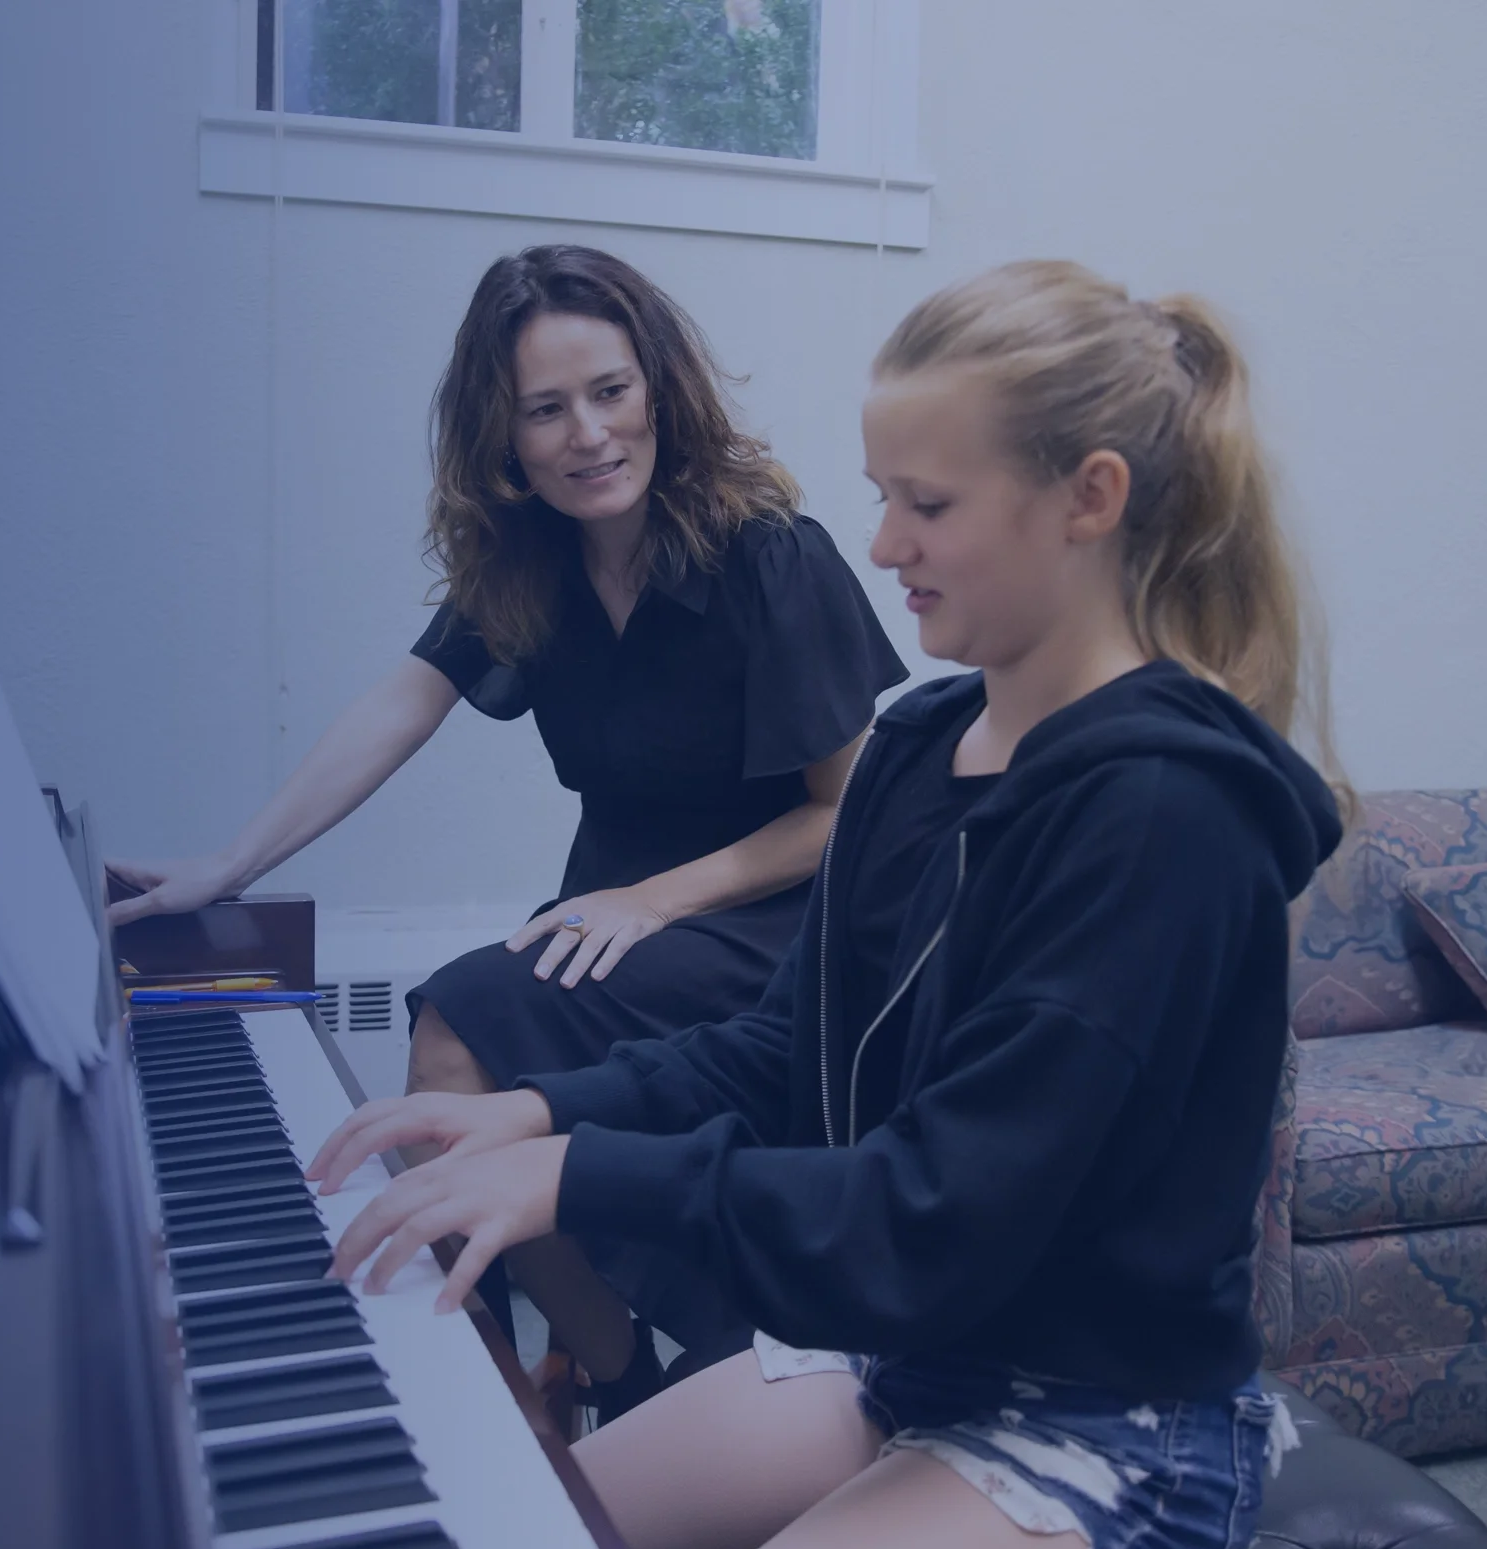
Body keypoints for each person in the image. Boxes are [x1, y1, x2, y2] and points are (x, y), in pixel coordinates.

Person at [303, 259, 1347, 1549]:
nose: (884, 546)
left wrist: (580, 1177)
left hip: (1102, 1425)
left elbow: (933, 1210)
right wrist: (537, 1110)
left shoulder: (1163, 818)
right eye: (881, 497)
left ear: (1090, 499)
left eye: (929, 505)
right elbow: (777, 1047)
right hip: (908, 1357)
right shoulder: (919, 746)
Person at [109, 244, 905, 1407]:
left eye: (610, 391)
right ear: (506, 437)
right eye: (546, 409)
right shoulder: (531, 562)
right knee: (469, 1057)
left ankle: (610, 1390)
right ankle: (618, 1372)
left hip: (776, 926)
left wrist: (653, 901)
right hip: (615, 914)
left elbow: (850, 815)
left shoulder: (770, 554)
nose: (588, 434)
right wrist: (229, 862)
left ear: (659, 392)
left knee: (456, 1033)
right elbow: (399, 707)